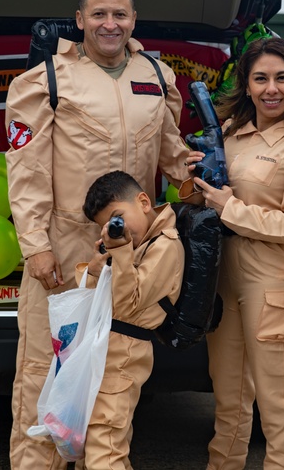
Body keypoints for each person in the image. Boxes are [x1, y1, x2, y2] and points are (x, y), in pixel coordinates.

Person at [4, 0, 198, 470]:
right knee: (44, 376)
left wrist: (200, 181)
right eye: (99, 14)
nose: (109, 24)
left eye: (119, 14)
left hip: (131, 257)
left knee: (112, 381)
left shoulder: (157, 76)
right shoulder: (43, 80)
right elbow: (24, 173)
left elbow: (172, 151)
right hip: (65, 252)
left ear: (134, 19)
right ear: (79, 20)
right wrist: (36, 247)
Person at [193, 37, 284, 470]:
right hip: (223, 275)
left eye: (281, 78)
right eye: (260, 79)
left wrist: (227, 205)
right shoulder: (230, 135)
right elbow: (209, 198)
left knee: (276, 402)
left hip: (272, 279)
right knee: (229, 396)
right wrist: (196, 183)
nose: (271, 89)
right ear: (247, 85)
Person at [76, 170, 185, 470]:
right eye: (105, 226)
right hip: (104, 347)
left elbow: (126, 304)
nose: (113, 229)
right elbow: (96, 296)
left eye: (117, 218)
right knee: (98, 442)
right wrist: (98, 268)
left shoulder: (166, 246)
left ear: (144, 202)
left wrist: (121, 252)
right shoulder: (135, 245)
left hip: (124, 352)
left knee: (105, 446)